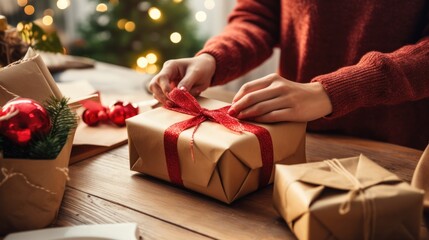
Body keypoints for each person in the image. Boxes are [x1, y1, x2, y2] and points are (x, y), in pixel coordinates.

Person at [150, 0, 429, 150]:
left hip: (396, 152)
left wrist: (332, 92)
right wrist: (214, 58)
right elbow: (257, 15)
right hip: (290, 141)